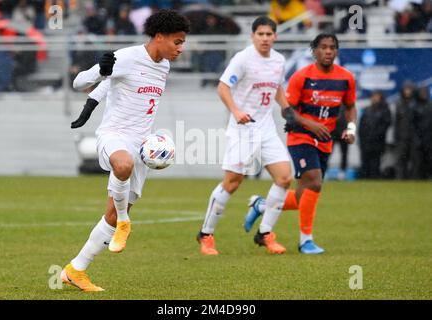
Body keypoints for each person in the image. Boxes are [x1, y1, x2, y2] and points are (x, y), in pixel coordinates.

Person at [60, 9, 190, 292]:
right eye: (177, 42)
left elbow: (111, 86)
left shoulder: (164, 66)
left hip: (142, 145)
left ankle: (75, 270)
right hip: (114, 136)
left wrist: (90, 105)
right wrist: (100, 72)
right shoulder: (127, 56)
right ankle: (126, 222)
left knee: (110, 215)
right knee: (122, 165)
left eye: (182, 42)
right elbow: (80, 82)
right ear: (159, 36)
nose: (181, 48)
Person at [244, 33, 357, 254]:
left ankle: (261, 205)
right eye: (323, 47)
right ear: (314, 50)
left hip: (325, 140)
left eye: (332, 47)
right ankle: (306, 240)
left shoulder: (346, 78)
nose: (327, 51)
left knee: (302, 196)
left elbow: (351, 106)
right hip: (301, 138)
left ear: (336, 51)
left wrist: (351, 128)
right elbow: (288, 111)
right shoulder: (301, 77)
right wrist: (311, 125)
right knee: (314, 182)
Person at [196, 16, 292, 256]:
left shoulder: (279, 60)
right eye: (260, 34)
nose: (265, 38)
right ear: (253, 36)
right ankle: (206, 234)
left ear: (275, 37)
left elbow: (277, 87)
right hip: (243, 128)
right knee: (233, 183)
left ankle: (265, 233)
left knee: (284, 178)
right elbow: (222, 87)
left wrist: (286, 108)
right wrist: (236, 111)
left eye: (269, 34)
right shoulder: (242, 59)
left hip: (267, 128)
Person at [358, 91, 391, 179]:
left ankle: (374, 178)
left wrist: (376, 134)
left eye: (377, 96)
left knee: (375, 162)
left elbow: (386, 124)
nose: (375, 98)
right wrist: (361, 138)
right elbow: (361, 126)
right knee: (365, 161)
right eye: (373, 96)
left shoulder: (385, 110)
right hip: (366, 141)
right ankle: (364, 179)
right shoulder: (366, 110)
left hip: (377, 141)